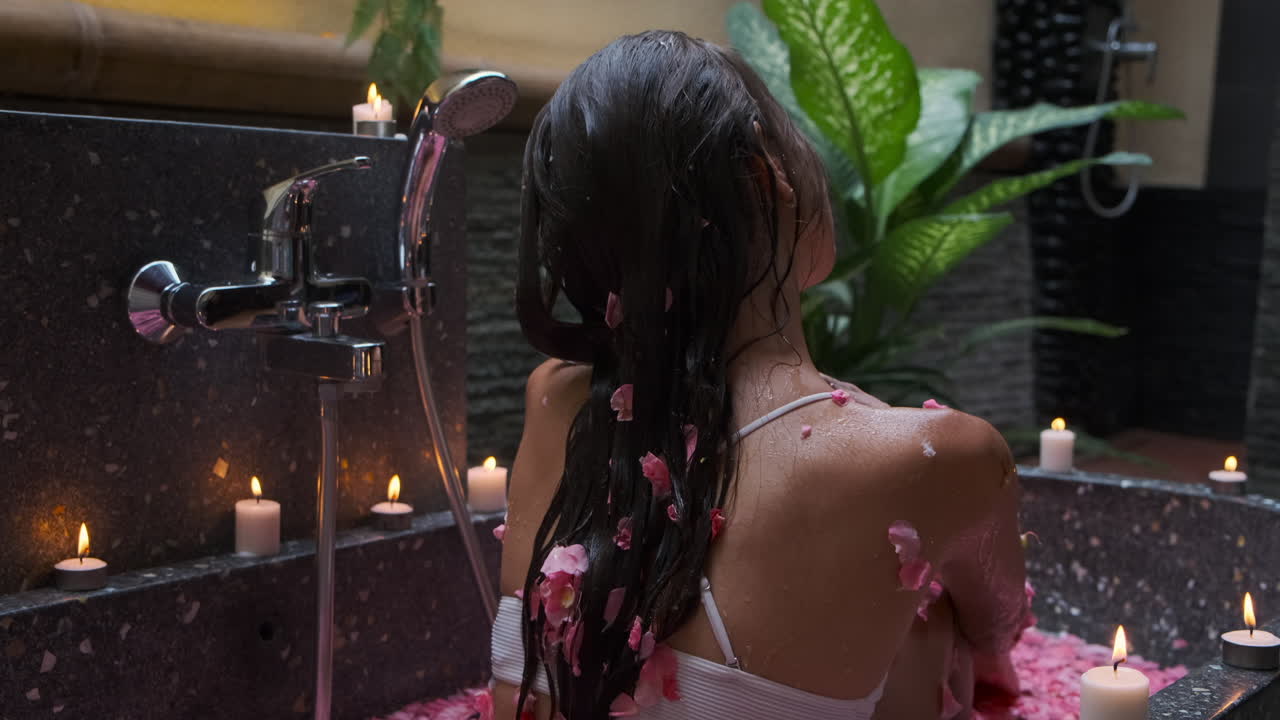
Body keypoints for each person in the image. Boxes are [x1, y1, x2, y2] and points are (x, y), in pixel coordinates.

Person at [490, 30, 1029, 720]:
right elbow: (999, 630)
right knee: (932, 611)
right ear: (764, 173)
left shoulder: (553, 399)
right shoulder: (932, 456)